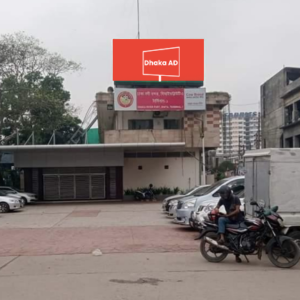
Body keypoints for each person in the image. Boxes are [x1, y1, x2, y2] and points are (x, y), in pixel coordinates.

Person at [214, 185, 244, 263]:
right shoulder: (222, 199)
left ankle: (237, 256)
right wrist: (216, 209)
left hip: (238, 220)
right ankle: (222, 238)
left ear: (227, 193)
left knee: (238, 237)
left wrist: (227, 215)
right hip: (230, 219)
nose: (222, 195)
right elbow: (217, 207)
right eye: (221, 194)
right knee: (221, 219)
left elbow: (237, 210)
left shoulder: (235, 198)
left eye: (223, 193)